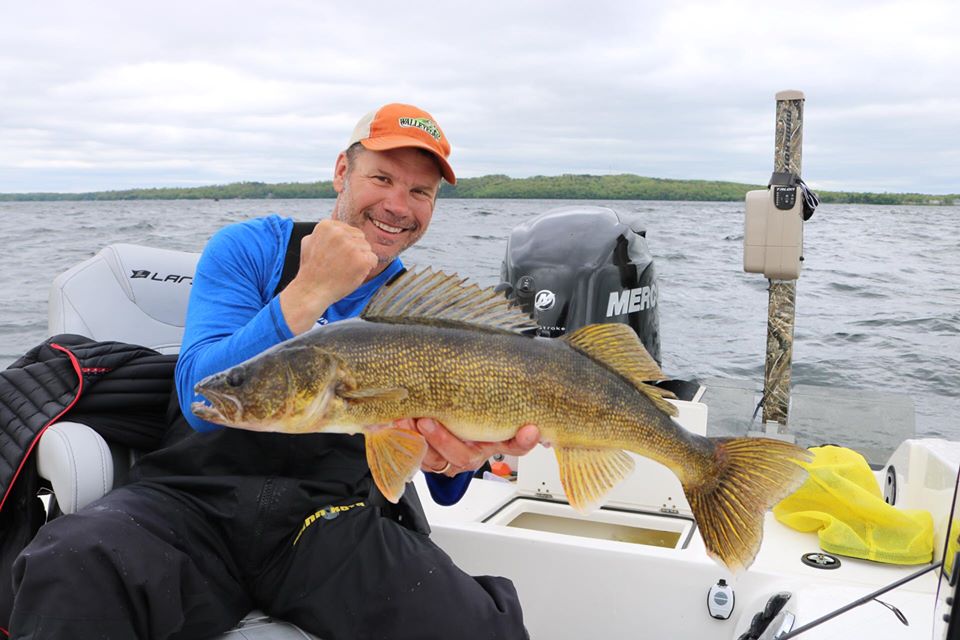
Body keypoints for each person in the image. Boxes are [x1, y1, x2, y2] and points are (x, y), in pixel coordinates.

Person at [10, 103, 538, 639]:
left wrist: (459, 460)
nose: (398, 205)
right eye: (382, 178)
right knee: (73, 561)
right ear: (342, 172)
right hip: (193, 504)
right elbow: (200, 397)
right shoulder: (250, 249)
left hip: (330, 523)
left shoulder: (422, 311)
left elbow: (444, 491)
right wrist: (311, 290)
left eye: (420, 192)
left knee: (478, 626)